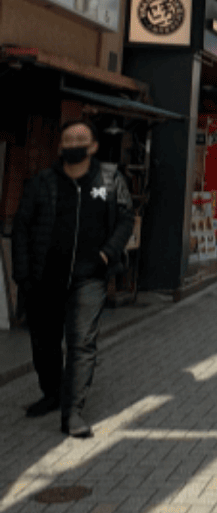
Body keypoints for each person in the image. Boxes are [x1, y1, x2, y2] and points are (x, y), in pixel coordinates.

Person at [12, 120, 135, 438]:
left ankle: (73, 411)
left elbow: (125, 218)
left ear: (93, 146)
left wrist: (107, 254)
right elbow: (22, 228)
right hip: (44, 277)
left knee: (81, 344)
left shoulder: (109, 180)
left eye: (81, 139)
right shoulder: (42, 182)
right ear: (59, 147)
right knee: (45, 342)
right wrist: (23, 275)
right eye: (68, 140)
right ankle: (51, 394)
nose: (74, 144)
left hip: (89, 278)